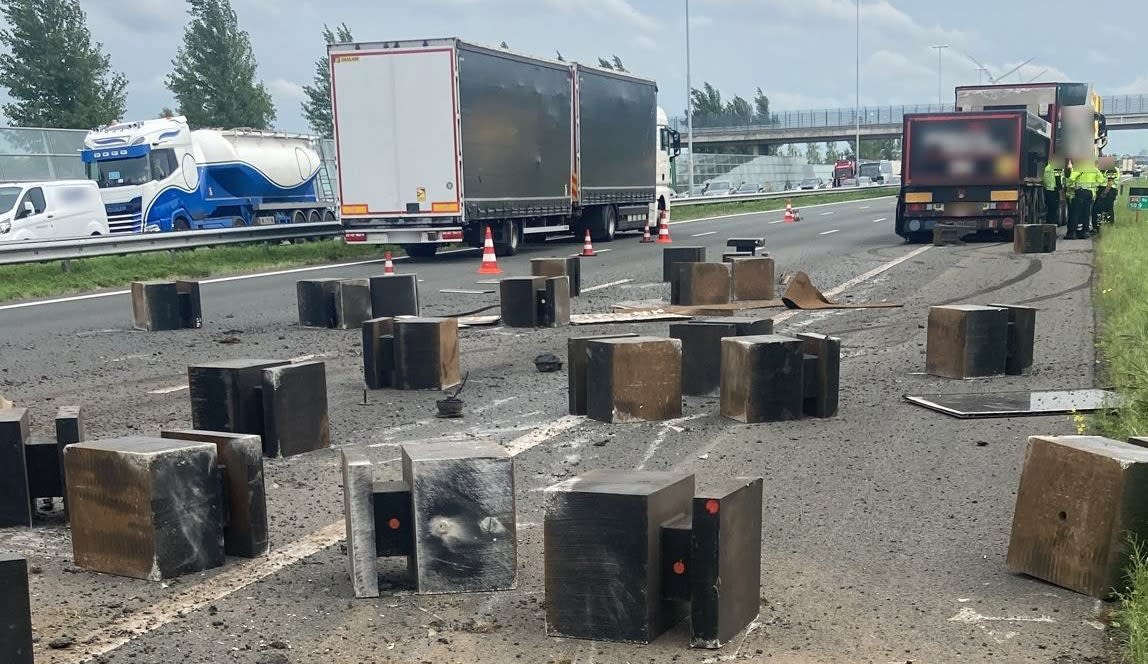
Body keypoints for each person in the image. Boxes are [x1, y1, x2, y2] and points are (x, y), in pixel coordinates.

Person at [1067, 159, 1101, 239]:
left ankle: (1073, 233)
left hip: (1080, 192)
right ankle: (1085, 232)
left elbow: (1071, 178)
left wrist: (1072, 186)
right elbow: (1101, 180)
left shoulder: (1080, 168)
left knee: (1075, 213)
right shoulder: (1094, 169)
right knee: (1086, 213)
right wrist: (1094, 185)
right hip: (1089, 193)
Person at [1042, 158, 1064, 226]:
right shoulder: (1056, 167)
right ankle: (1053, 223)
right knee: (1054, 208)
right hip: (1054, 190)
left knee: (1050, 208)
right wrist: (1060, 192)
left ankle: (1049, 222)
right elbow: (1058, 180)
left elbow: (1045, 179)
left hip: (1047, 190)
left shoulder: (1047, 168)